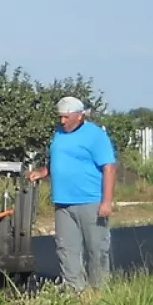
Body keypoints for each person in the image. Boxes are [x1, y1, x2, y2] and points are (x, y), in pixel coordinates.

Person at [28, 96, 117, 291]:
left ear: (79, 116)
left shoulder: (95, 135)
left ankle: (99, 291)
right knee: (66, 248)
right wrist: (44, 172)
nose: (62, 121)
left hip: (90, 201)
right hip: (63, 202)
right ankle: (74, 290)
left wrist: (107, 201)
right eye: (60, 117)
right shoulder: (59, 134)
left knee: (96, 248)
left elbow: (109, 168)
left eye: (66, 117)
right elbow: (58, 160)